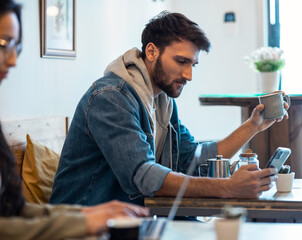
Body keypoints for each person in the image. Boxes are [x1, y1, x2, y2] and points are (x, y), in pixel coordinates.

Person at [50, 11, 287, 207]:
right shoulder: (111, 98)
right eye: (181, 61)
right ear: (151, 52)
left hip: (132, 220)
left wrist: (253, 126)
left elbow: (192, 159)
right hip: (83, 225)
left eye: (193, 64)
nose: (189, 75)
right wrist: (226, 187)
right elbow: (143, 175)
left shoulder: (162, 101)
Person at [0, 1, 149, 239]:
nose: (13, 61)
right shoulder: (109, 96)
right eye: (3, 44)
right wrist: (83, 222)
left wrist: (89, 213)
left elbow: (16, 211)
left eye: (16, 47)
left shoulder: (162, 102)